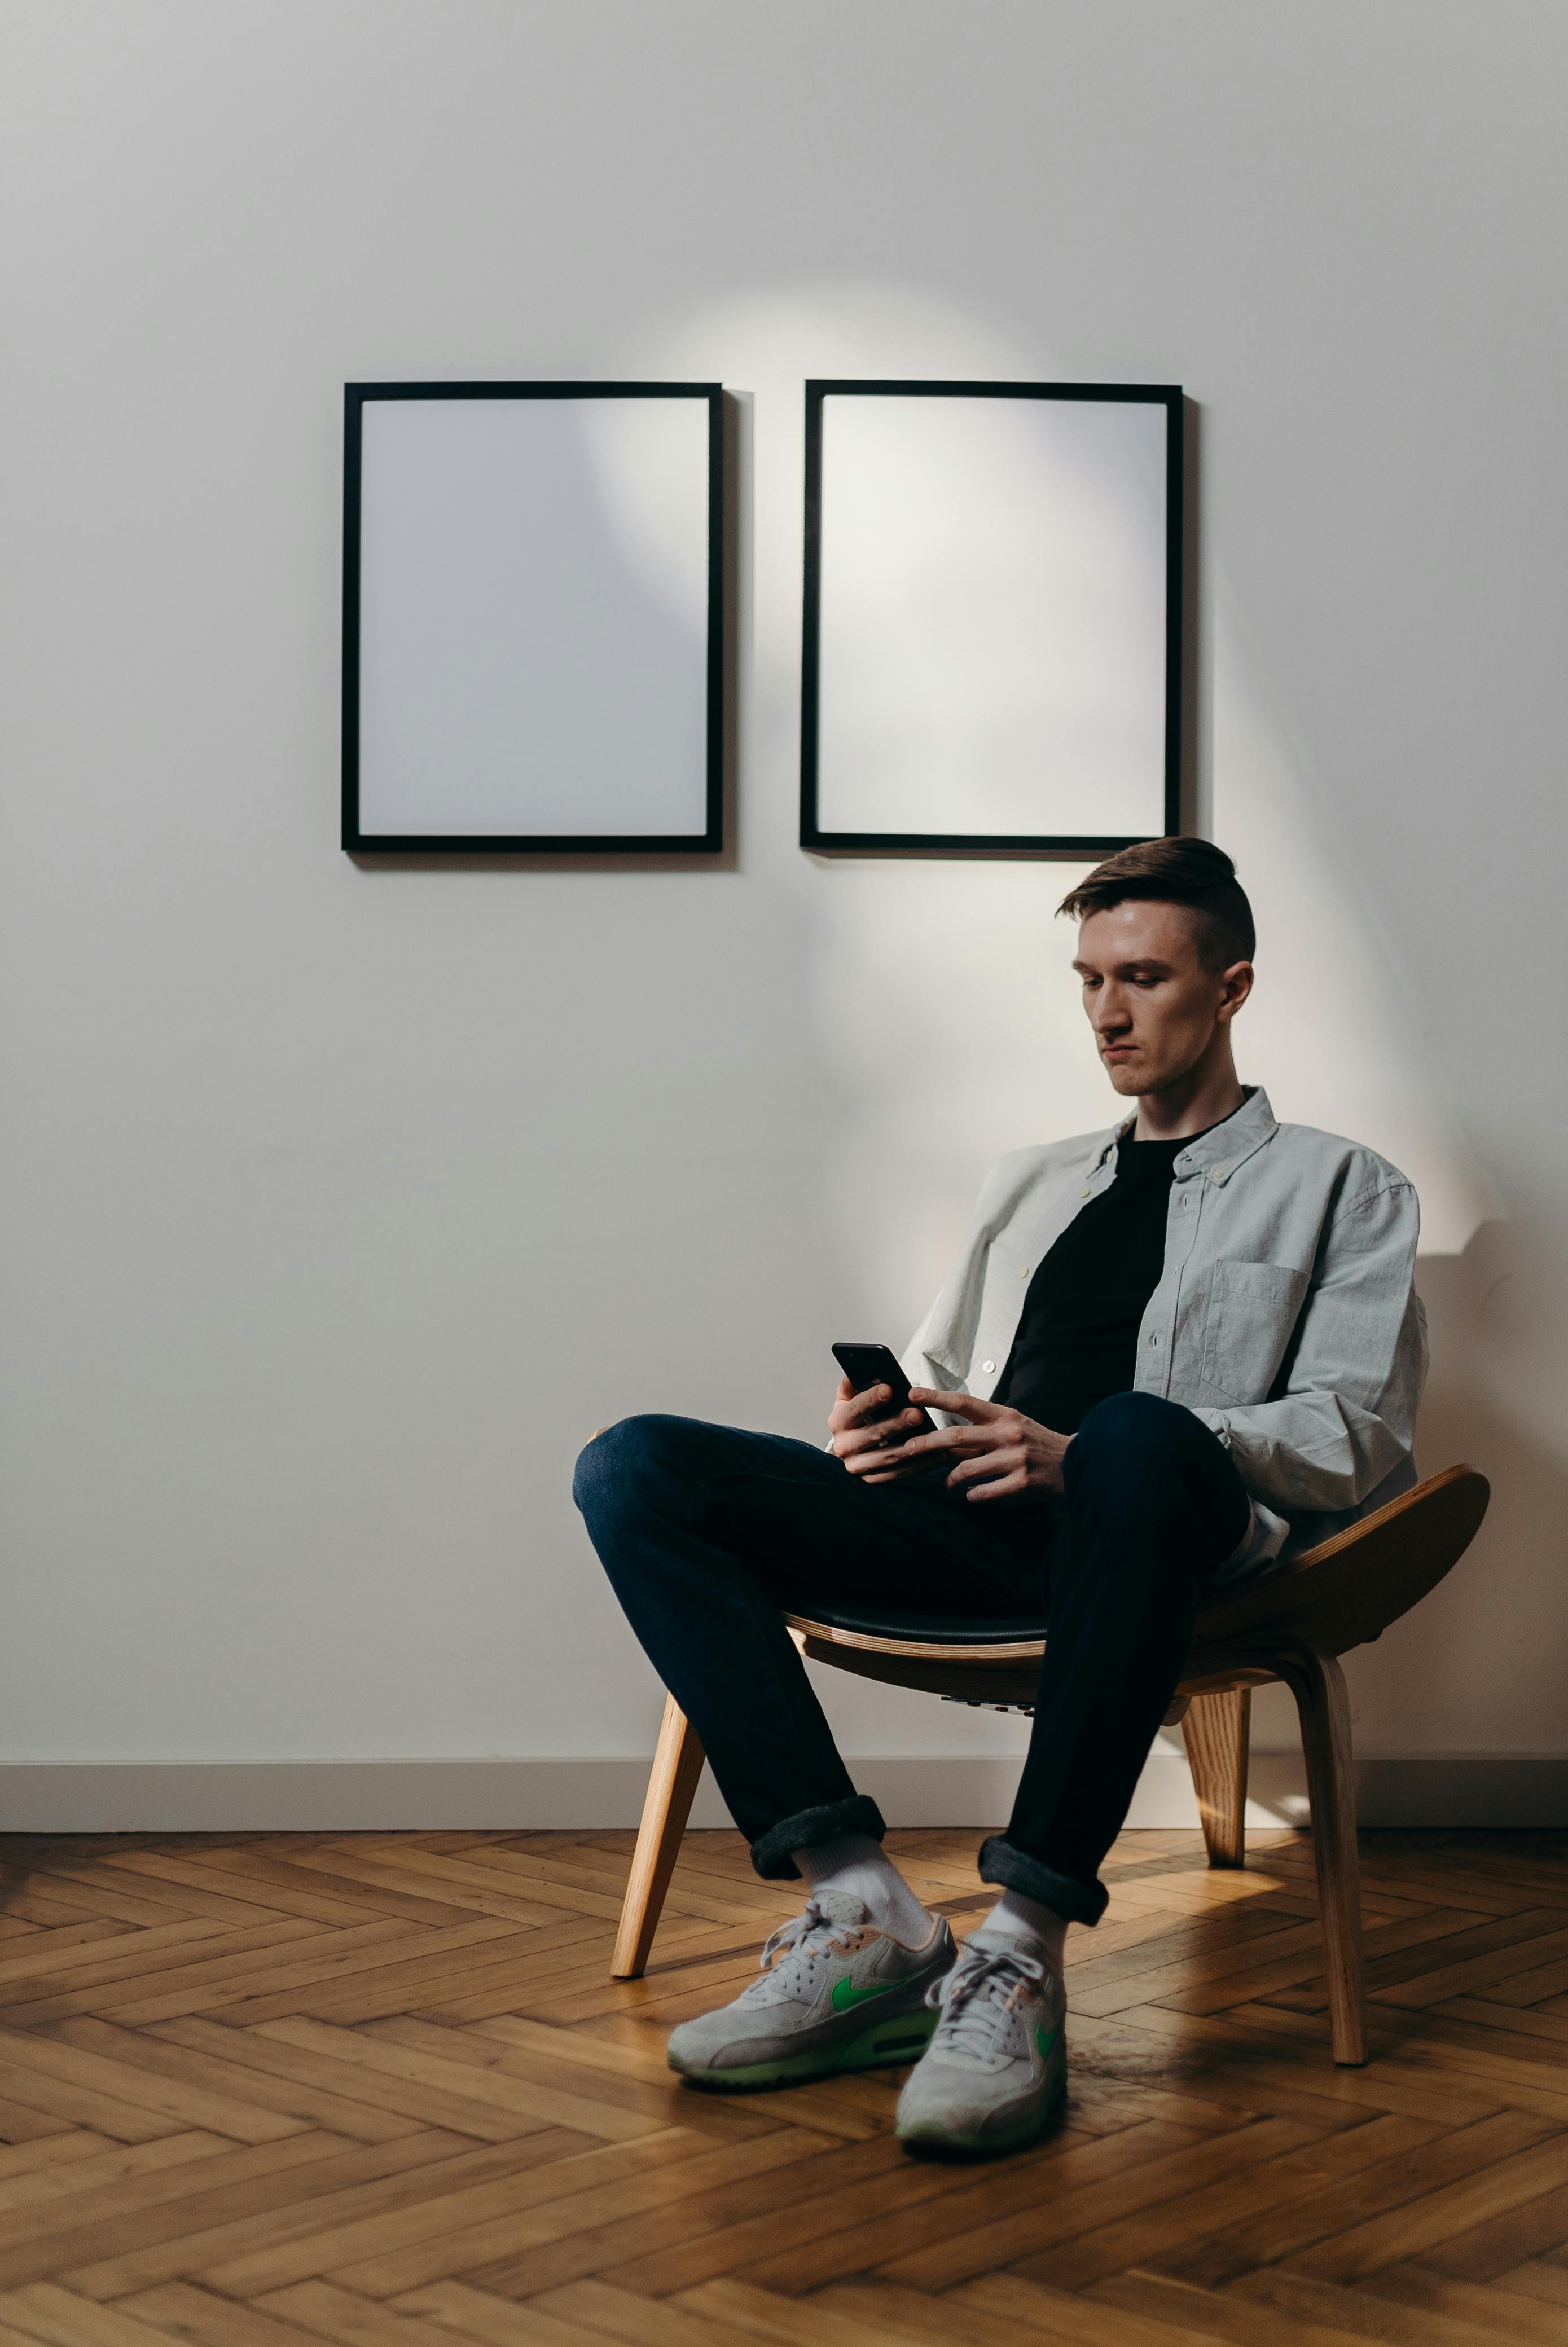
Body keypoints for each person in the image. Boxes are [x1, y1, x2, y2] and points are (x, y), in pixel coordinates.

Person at [573, 838, 1426, 2158]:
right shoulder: (1030, 1179)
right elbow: (941, 1368)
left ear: (1232, 986)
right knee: (637, 1463)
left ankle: (1019, 1950)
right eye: (1087, 978)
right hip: (964, 1530)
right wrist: (888, 1424)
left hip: (1154, 1542)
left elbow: (1355, 1436)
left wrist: (1080, 1453)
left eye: (1141, 977)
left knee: (1134, 1434)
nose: (1105, 1013)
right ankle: (865, 1913)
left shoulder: (1341, 1186)